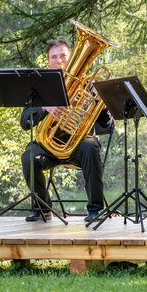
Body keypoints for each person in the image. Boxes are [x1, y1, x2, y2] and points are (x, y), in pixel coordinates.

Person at [21, 39, 113, 223]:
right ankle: (42, 208)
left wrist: (102, 105)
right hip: (49, 145)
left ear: (71, 57)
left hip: (79, 144)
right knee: (28, 156)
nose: (59, 60)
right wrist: (43, 108)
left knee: (91, 147)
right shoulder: (40, 88)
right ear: (48, 61)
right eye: (53, 57)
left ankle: (95, 209)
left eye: (63, 55)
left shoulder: (89, 85)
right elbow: (25, 122)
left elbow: (108, 125)